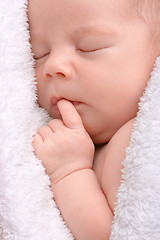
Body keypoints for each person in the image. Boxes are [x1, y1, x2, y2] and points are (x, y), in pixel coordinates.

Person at [28, 0, 160, 239]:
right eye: (40, 53)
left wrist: (69, 171)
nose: (53, 65)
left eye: (88, 48)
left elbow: (117, 234)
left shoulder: (135, 141)